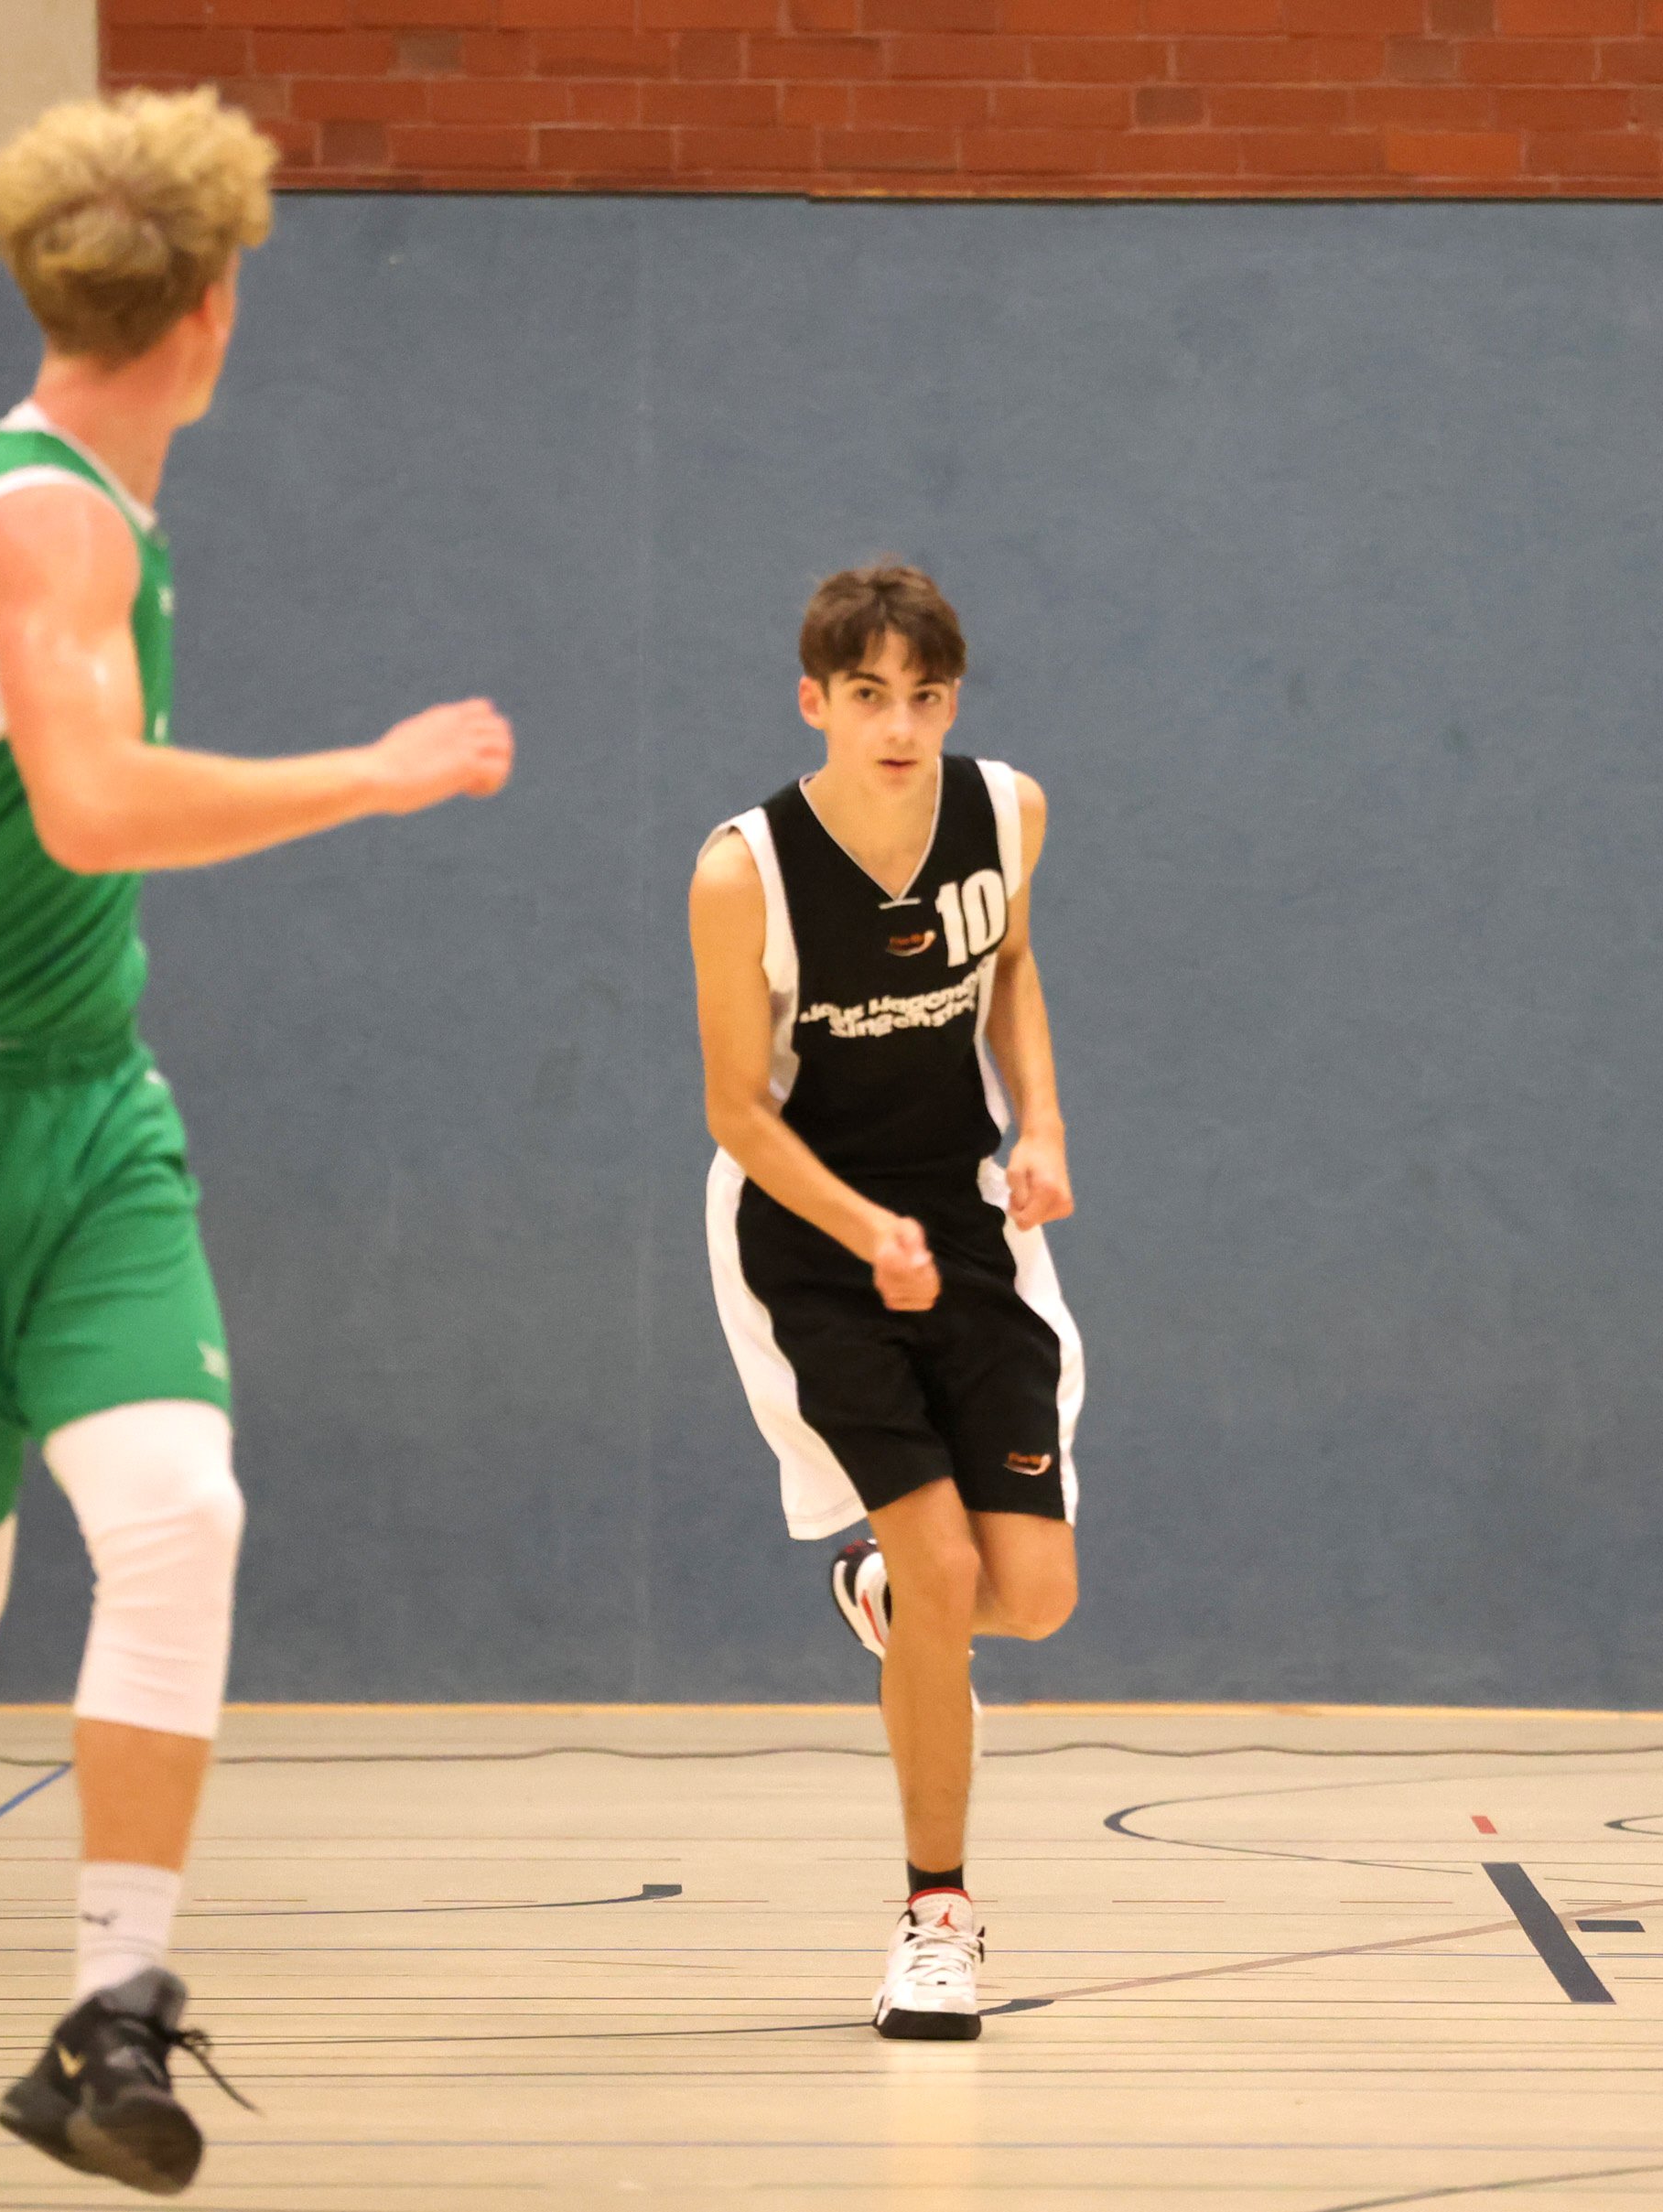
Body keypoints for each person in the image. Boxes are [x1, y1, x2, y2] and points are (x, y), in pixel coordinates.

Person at [0, 88, 512, 2195]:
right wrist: (373, 772)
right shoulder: (54, 527)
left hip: (81, 1114)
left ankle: (112, 2011)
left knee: (178, 1518)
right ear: (214, 308)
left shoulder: (3, 498)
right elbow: (85, 806)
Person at [692, 562, 1082, 2041]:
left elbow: (1013, 966)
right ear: (816, 701)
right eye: (869, 696)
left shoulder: (1008, 812)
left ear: (953, 700)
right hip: (809, 1238)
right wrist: (868, 1231)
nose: (900, 725)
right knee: (939, 1560)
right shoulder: (743, 871)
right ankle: (937, 1918)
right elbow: (737, 1109)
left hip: (965, 1223)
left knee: (1029, 1596)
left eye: (924, 696)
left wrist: (1040, 1128)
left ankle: (881, 1592)